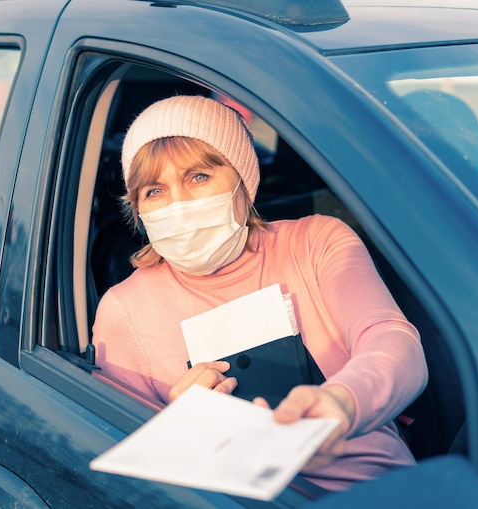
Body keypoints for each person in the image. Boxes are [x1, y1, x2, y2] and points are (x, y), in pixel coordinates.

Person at [92, 94, 428, 491]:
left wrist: (343, 404)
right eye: (153, 191)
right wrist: (183, 430)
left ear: (242, 180)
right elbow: (123, 466)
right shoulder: (124, 311)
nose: (177, 205)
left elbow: (392, 340)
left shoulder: (317, 243)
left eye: (198, 177)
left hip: (377, 491)